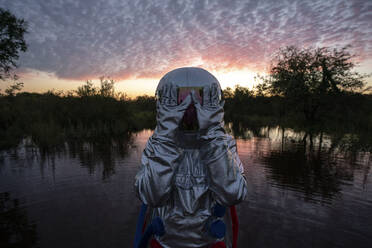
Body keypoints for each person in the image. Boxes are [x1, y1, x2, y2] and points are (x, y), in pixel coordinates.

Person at [134, 67, 247, 248]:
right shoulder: (158, 144)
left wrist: (212, 137)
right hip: (165, 243)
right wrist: (166, 137)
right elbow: (151, 196)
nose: (188, 112)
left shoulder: (222, 144)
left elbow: (232, 194)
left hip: (209, 244)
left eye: (197, 102)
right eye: (180, 101)